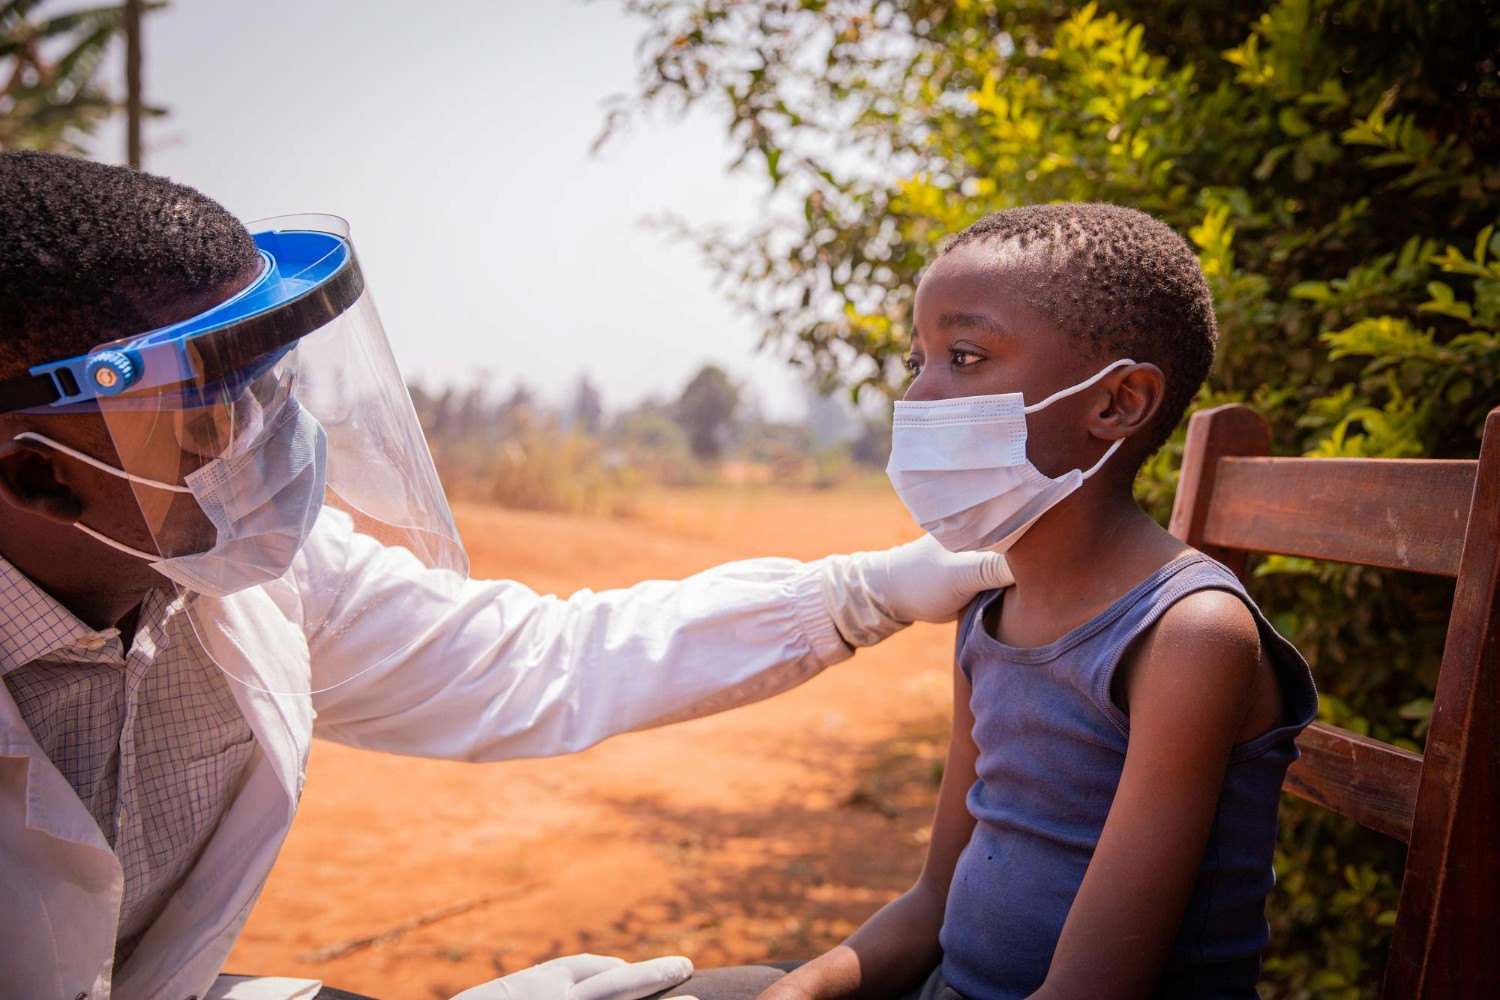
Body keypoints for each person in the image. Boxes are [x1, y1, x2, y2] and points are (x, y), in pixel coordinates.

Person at [0, 151, 1015, 1000]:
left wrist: (864, 592)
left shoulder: (246, 580)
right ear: (38, 472)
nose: (265, 442)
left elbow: (535, 658)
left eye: (269, 389)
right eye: (207, 417)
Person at [660, 203, 1318, 1000]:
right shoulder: (992, 608)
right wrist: (801, 991)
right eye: (918, 360)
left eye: (964, 357)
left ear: (1117, 403)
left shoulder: (1189, 635)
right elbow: (934, 901)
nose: (923, 395)